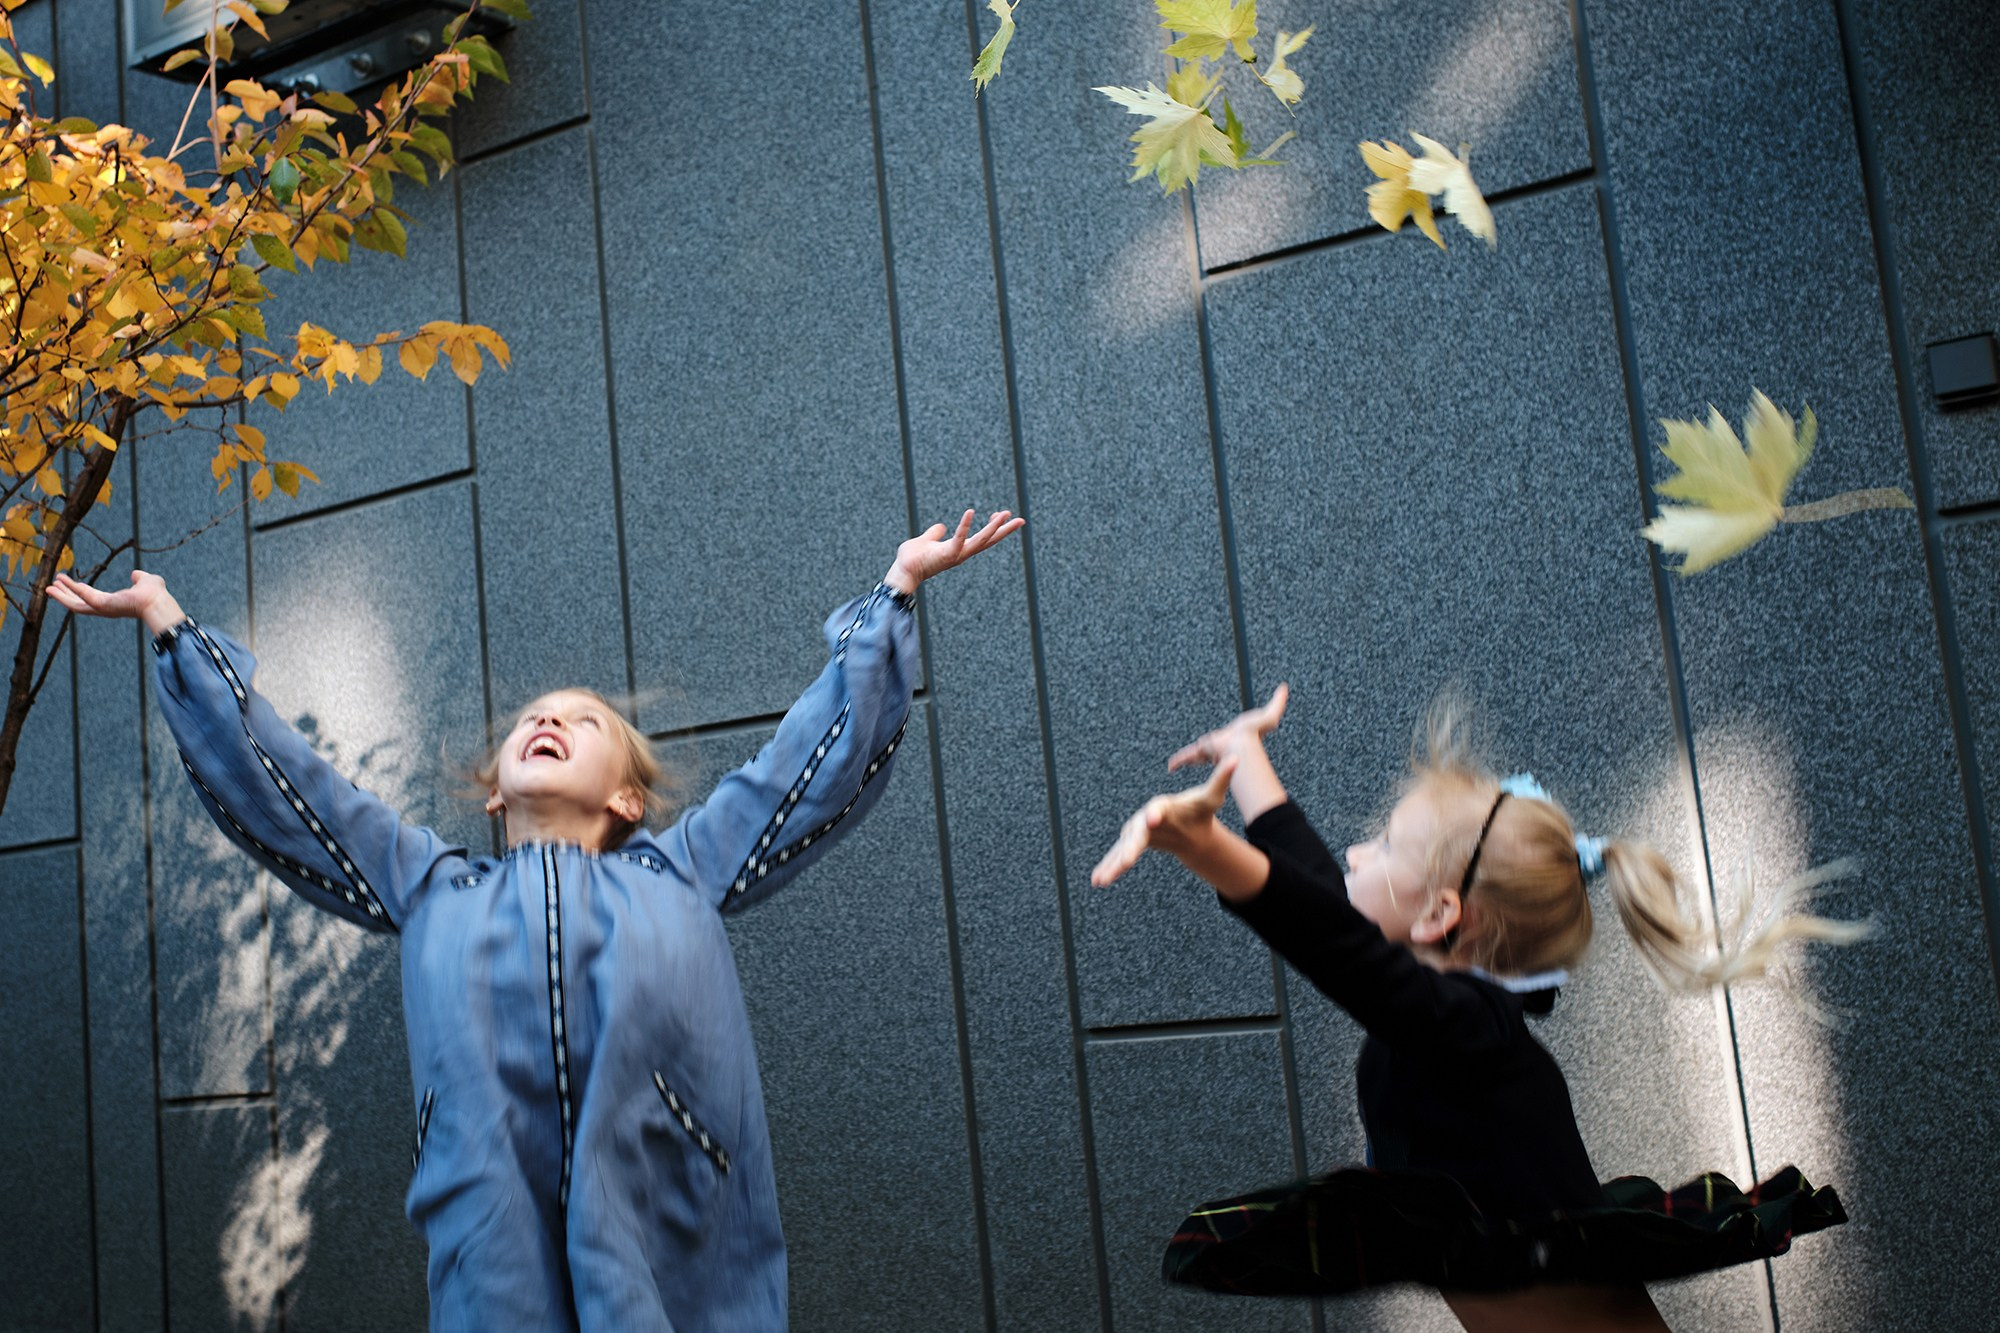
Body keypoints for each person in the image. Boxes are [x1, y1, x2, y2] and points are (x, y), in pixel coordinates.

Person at [48, 508, 1023, 1333]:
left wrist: (892, 594)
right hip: (495, 1279)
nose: (547, 721)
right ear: (492, 799)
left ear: (629, 800)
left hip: (678, 1264)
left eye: (584, 720)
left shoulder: (683, 867)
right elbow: (287, 791)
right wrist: (171, 627)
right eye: (531, 719)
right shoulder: (432, 886)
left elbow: (812, 764)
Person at [1089, 685, 1858, 1332]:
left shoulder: (1471, 1027)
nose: (1356, 854)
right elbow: (1329, 905)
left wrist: (1207, 847)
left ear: (1440, 916)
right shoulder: (1444, 1018)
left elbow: (1336, 945)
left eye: (1383, 844)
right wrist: (1247, 759)